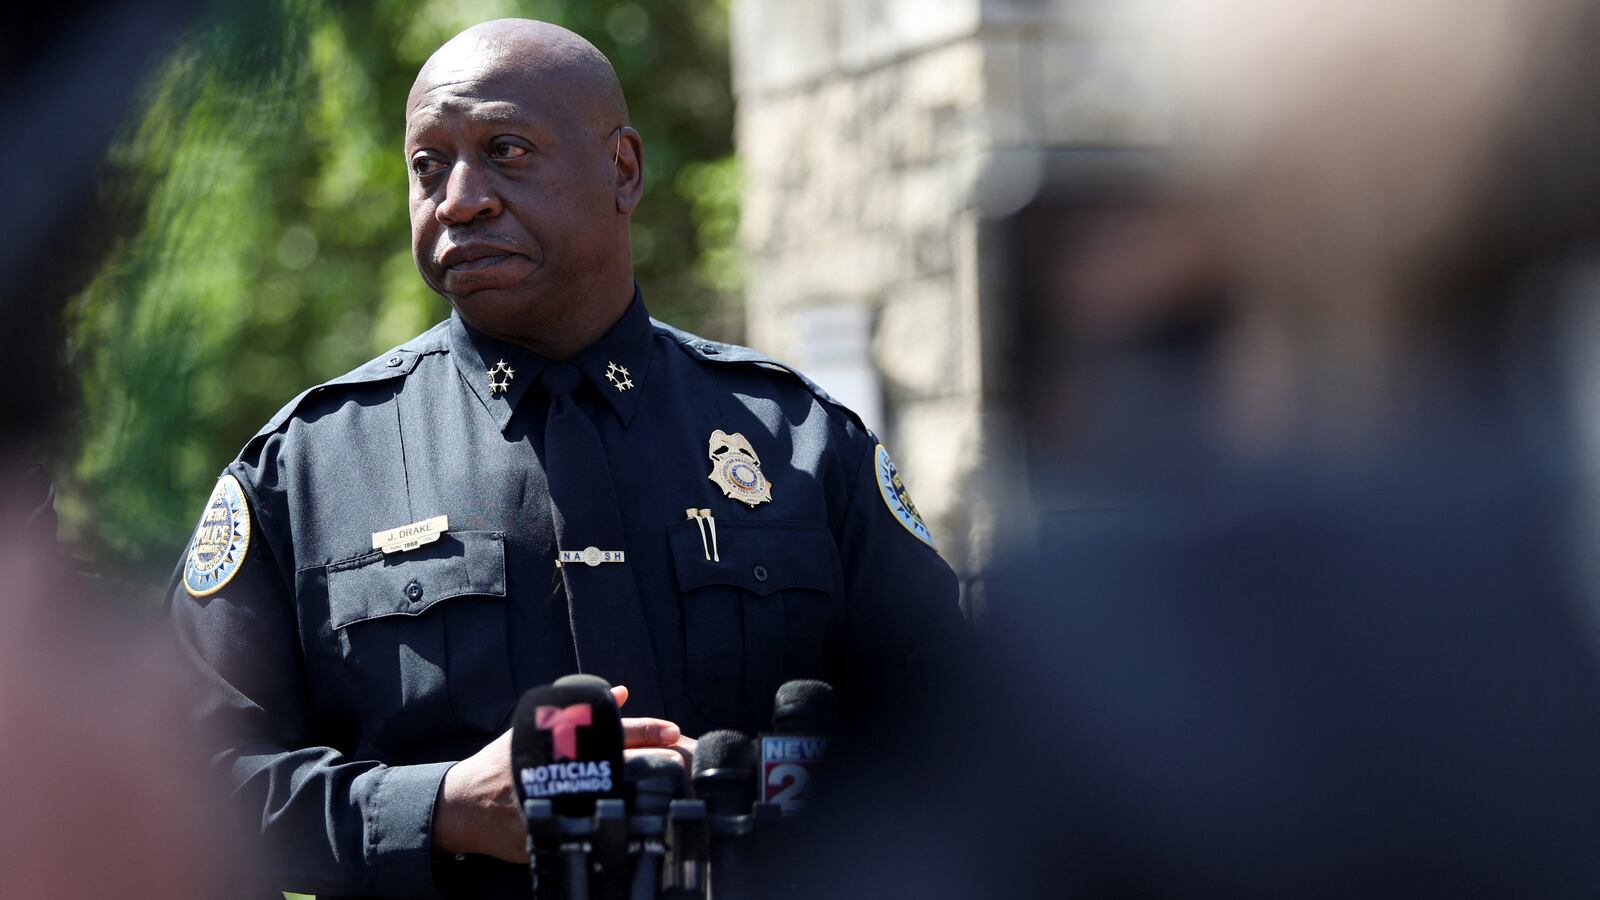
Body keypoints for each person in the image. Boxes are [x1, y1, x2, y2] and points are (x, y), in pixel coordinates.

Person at [166, 18, 961, 899]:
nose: (460, 197)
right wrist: (440, 807)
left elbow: (971, 735)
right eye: (428, 166)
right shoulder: (309, 468)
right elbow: (181, 783)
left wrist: (782, 792)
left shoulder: (802, 440)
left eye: (505, 150)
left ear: (623, 170)